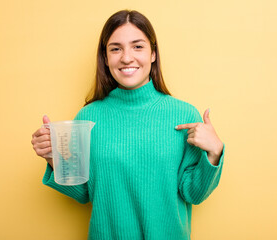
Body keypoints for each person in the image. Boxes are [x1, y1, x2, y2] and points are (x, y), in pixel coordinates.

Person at [31, 9, 225, 240]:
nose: (126, 57)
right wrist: (54, 157)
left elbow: (193, 193)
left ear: (153, 53)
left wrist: (215, 152)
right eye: (115, 48)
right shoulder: (89, 116)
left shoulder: (183, 114)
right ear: (105, 57)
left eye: (138, 46)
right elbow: (84, 192)